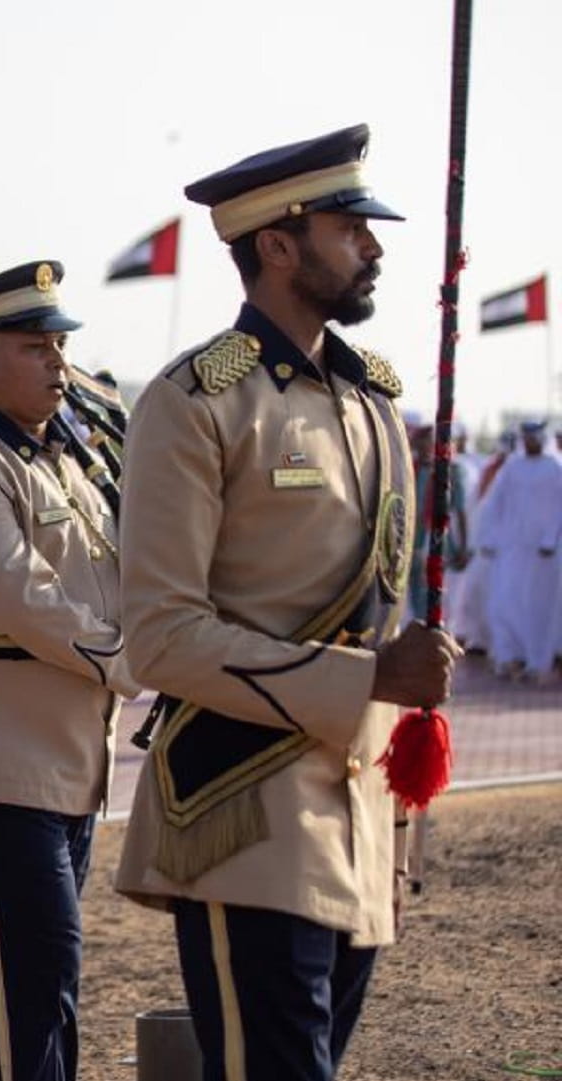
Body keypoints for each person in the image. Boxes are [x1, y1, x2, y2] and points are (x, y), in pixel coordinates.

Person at [114, 124, 459, 1081]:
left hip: (358, 811)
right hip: (245, 806)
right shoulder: (196, 402)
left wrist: (413, 667)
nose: (375, 246)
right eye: (352, 226)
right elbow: (163, 638)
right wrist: (366, 676)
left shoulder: (370, 403)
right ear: (276, 242)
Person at [0, 261, 140, 1081]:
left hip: (72, 761)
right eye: (36, 347)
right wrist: (133, 661)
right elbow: (22, 597)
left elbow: (119, 576)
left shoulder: (72, 464)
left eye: (60, 347)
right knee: (41, 973)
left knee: (6, 971)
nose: (57, 363)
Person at [477, 419, 562, 682]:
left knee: (538, 610)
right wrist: (489, 538)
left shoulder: (555, 468)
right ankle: (507, 657)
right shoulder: (512, 467)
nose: (529, 442)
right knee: (503, 603)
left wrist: (550, 539)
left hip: (543, 553)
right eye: (526, 437)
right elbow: (494, 504)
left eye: (533, 437)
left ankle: (536, 662)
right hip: (510, 548)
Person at [407, 422, 468, 622]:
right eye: (421, 442)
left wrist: (463, 547)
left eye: (428, 441)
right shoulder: (409, 468)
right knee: (415, 591)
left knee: (436, 589)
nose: (424, 446)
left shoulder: (451, 471)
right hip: (412, 540)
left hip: (438, 539)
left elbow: (460, 511)